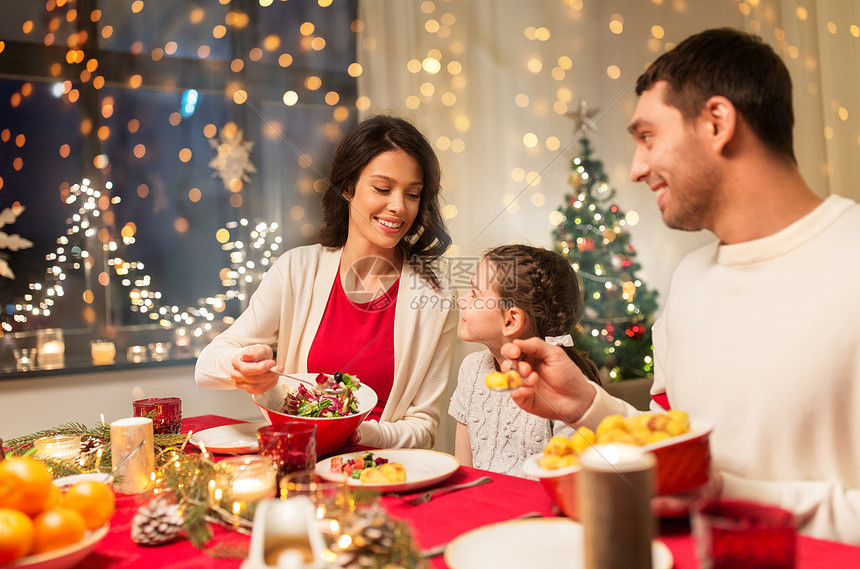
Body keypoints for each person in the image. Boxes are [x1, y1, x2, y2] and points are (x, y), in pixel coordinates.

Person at [502, 28, 860, 544]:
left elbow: (706, 486)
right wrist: (587, 405)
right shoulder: (689, 282)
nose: (636, 169)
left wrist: (728, 496)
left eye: (647, 137)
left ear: (717, 122)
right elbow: (678, 456)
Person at [195, 115, 458, 450]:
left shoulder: (435, 298)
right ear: (347, 188)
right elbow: (206, 366)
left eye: (412, 194)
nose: (398, 206)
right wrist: (240, 366)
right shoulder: (297, 270)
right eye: (382, 188)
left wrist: (360, 434)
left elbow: (423, 426)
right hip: (299, 468)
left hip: (382, 474)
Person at [448, 244, 599, 477]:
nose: (462, 301)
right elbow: (465, 473)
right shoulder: (472, 369)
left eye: (475, 293)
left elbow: (573, 482)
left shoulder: (562, 387)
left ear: (511, 320)